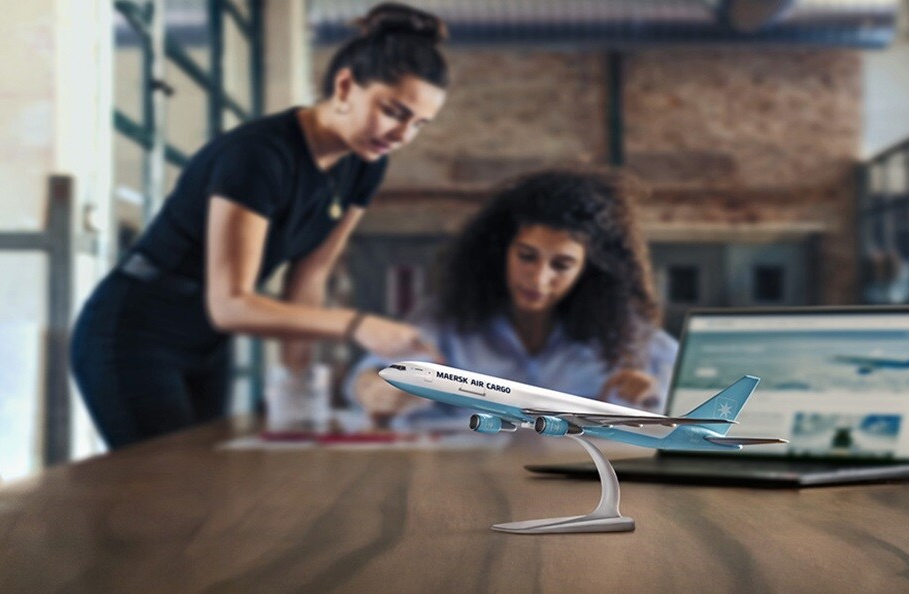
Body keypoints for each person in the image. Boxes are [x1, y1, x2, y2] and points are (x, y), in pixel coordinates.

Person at [71, 3, 450, 449]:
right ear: (345, 85)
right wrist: (359, 324)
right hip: (133, 330)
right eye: (394, 111)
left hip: (208, 342)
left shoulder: (365, 165)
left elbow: (309, 278)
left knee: (204, 484)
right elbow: (231, 304)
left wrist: (301, 391)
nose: (403, 135)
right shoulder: (258, 156)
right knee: (165, 490)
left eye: (419, 124)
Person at [346, 169, 678, 428]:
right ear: (500, 251)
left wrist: (653, 401)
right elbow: (373, 376)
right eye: (526, 256)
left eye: (561, 265)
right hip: (456, 486)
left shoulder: (626, 333)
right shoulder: (445, 320)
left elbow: (693, 395)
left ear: (590, 271)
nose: (539, 278)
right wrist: (378, 393)